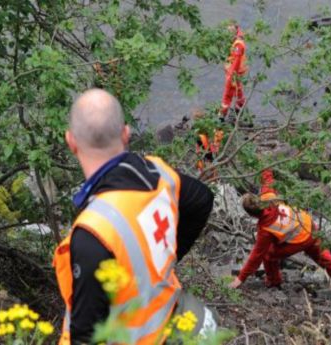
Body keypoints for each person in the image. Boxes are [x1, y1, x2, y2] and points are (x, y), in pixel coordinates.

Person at [53, 89, 216, 344]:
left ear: (71, 141)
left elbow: (85, 336)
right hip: (173, 319)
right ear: (126, 133)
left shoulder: (92, 232)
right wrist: (167, 261)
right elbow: (202, 199)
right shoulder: (160, 174)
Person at [229, 170, 331, 292]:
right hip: (308, 224)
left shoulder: (265, 229)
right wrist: (263, 165)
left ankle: (274, 281)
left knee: (268, 255)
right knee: (320, 253)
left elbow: (256, 256)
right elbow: (267, 178)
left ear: (252, 215)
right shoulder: (269, 196)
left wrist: (240, 278)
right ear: (258, 198)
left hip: (300, 239)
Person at [220, 20, 248, 120]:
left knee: (228, 93)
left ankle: (221, 116)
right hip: (237, 71)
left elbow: (236, 61)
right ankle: (239, 108)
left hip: (234, 72)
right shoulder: (236, 39)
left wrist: (231, 74)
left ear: (235, 28)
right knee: (238, 90)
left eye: (230, 28)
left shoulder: (238, 44)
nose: (228, 31)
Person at [193, 109, 224, 175]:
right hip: (209, 152)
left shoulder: (202, 134)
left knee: (209, 166)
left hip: (209, 153)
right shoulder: (207, 129)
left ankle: (211, 177)